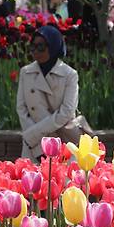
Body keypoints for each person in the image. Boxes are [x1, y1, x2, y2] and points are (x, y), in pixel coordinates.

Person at [16, 26, 89, 161]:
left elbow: (66, 112)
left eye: (41, 46)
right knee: (33, 180)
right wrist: (35, 141)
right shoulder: (25, 72)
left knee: (65, 180)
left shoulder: (69, 75)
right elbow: (22, 109)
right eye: (33, 46)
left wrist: (35, 133)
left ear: (53, 46)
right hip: (33, 145)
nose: (35, 51)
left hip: (64, 141)